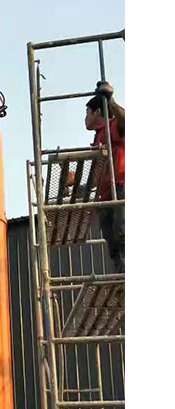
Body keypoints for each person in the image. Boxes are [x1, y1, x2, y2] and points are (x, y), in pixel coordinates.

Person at [85, 81, 125, 273]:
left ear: (98, 112)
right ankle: (122, 276)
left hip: (122, 186)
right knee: (112, 242)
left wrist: (111, 101)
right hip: (106, 194)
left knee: (122, 233)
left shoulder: (113, 126)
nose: (85, 118)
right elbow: (97, 177)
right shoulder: (98, 138)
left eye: (87, 112)